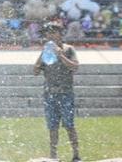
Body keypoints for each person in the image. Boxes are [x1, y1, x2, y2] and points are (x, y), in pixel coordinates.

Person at [34, 21, 81, 162]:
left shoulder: (68, 49)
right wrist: (41, 56)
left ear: (61, 34)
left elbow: (75, 67)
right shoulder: (46, 51)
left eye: (53, 31)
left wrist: (61, 55)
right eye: (48, 32)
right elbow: (35, 71)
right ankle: (53, 156)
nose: (50, 35)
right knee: (52, 127)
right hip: (49, 94)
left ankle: (76, 154)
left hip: (66, 93)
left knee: (69, 125)